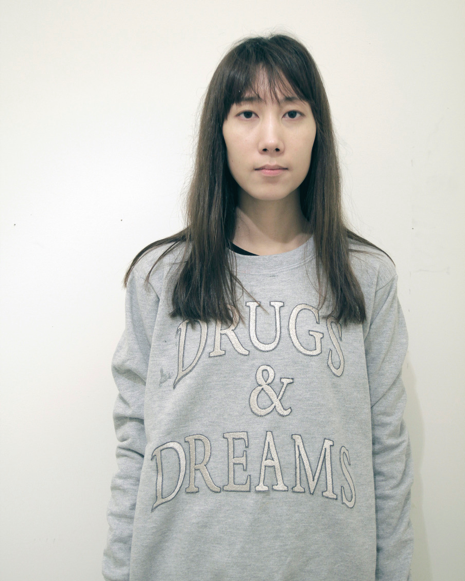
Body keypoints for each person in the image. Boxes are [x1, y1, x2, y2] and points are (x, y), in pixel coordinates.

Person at [102, 34, 414, 581]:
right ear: (218, 132)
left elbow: (386, 450)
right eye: (247, 113)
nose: (271, 139)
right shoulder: (161, 277)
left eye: (292, 113)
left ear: (317, 131)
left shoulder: (367, 278)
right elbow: (135, 446)